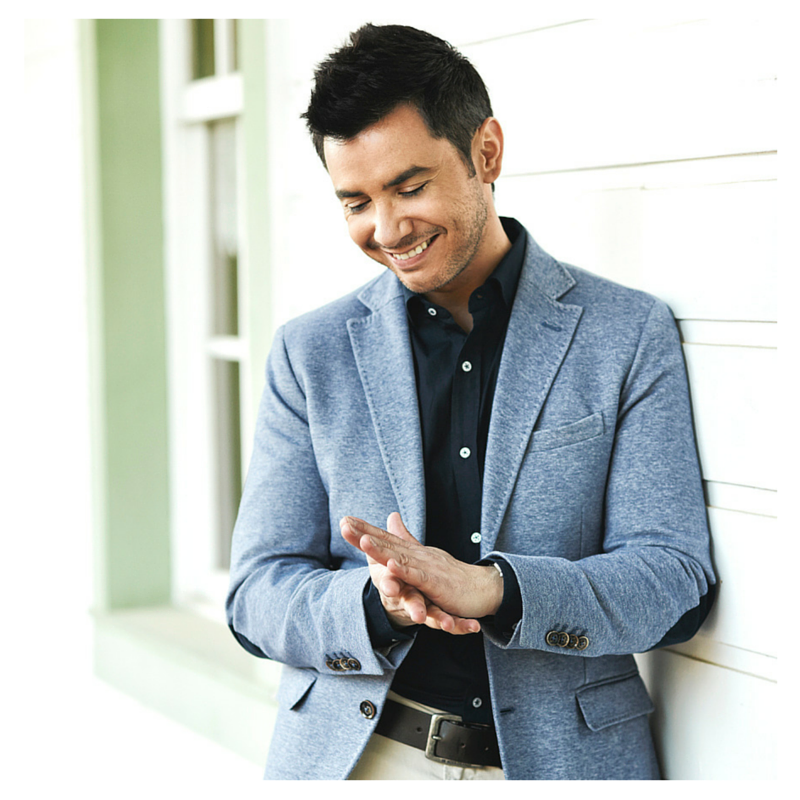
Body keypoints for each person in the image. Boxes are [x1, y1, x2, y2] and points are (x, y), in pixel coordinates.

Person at [226, 23, 716, 781]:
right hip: (363, 762)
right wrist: (376, 604)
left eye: (409, 187)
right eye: (356, 201)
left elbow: (674, 581)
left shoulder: (627, 332)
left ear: (486, 152)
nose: (387, 229)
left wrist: (497, 589)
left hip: (567, 766)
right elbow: (255, 596)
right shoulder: (308, 352)